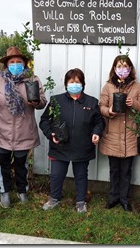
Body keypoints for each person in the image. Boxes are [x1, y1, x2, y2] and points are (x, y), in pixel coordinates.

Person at [0, 46, 47, 208]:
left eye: (19, 62)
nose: (15, 64)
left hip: (24, 131)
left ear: (25, 64)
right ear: (6, 65)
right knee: (3, 164)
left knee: (21, 164)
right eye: (12, 62)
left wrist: (36, 102)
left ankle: (22, 190)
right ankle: (5, 192)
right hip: (1, 131)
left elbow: (42, 102)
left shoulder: (32, 80)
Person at [40, 68, 105, 213]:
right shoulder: (56, 101)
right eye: (71, 82)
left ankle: (81, 202)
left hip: (82, 147)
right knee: (56, 174)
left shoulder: (92, 102)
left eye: (77, 82)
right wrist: (51, 134)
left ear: (83, 84)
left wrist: (96, 132)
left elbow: (99, 122)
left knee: (81, 175)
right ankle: (54, 199)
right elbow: (44, 120)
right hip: (60, 146)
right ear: (66, 84)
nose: (74, 84)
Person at [99, 55, 140, 212]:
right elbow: (101, 107)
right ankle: (113, 197)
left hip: (129, 136)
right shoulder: (108, 87)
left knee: (126, 171)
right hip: (112, 135)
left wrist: (133, 103)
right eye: (119, 66)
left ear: (130, 69)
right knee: (114, 170)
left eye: (125, 66)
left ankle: (125, 199)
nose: (122, 70)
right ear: (114, 69)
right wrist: (110, 111)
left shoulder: (137, 87)